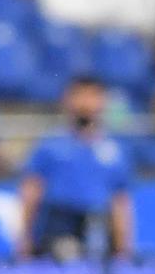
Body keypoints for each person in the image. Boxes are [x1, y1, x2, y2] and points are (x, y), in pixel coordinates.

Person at [17, 75, 135, 262]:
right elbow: (31, 191)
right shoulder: (51, 145)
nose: (85, 104)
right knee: (66, 258)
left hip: (99, 223)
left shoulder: (115, 149)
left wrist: (123, 247)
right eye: (79, 96)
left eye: (92, 96)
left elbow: (120, 201)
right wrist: (24, 238)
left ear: (102, 101)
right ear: (67, 100)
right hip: (60, 222)